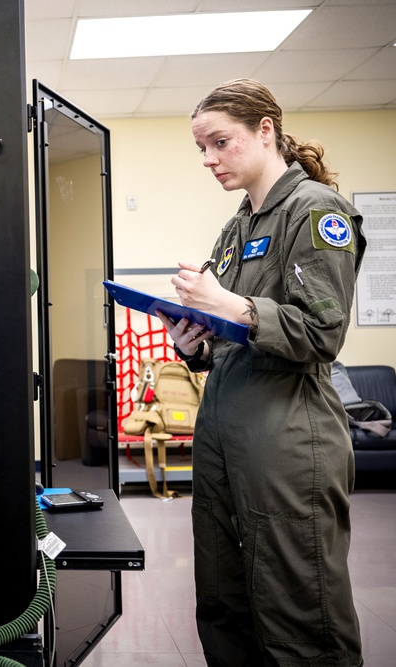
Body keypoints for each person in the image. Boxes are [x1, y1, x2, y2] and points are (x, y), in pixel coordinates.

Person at [155, 78, 366, 667]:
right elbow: (232, 332)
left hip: (286, 436)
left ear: (265, 130)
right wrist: (192, 340)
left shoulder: (316, 211)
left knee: (297, 606)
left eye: (220, 143)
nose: (208, 160)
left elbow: (321, 332)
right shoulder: (237, 226)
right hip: (225, 429)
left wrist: (229, 305)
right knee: (224, 600)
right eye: (202, 148)